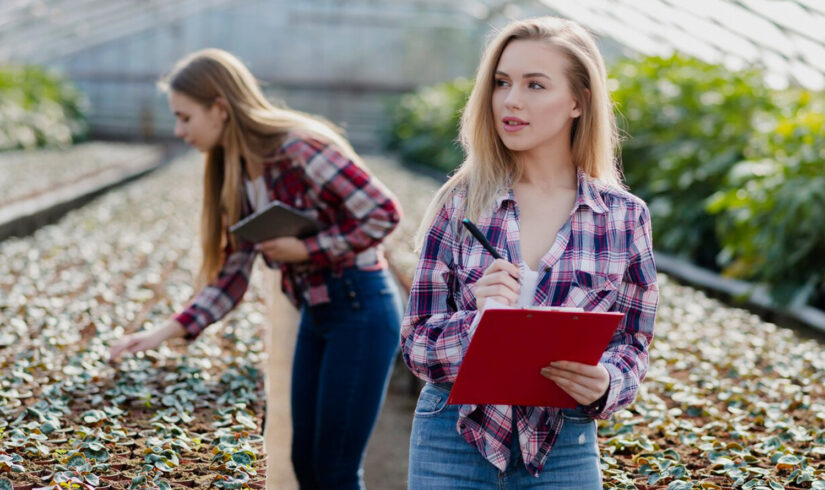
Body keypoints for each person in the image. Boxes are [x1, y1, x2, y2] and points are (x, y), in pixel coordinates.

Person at [108, 48, 404, 490]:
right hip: (318, 314)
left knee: (336, 469)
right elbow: (232, 275)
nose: (179, 130)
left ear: (220, 108)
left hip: (361, 309)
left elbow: (383, 213)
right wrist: (163, 332)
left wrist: (306, 249)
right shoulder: (239, 171)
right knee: (304, 461)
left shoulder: (299, 148)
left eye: (185, 117)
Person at [401, 16, 658, 488]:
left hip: (564, 442)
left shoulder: (623, 216)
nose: (511, 100)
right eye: (502, 83)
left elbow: (633, 341)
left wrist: (607, 382)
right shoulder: (461, 203)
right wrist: (477, 323)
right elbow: (416, 343)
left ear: (578, 102)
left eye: (535, 85)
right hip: (453, 434)